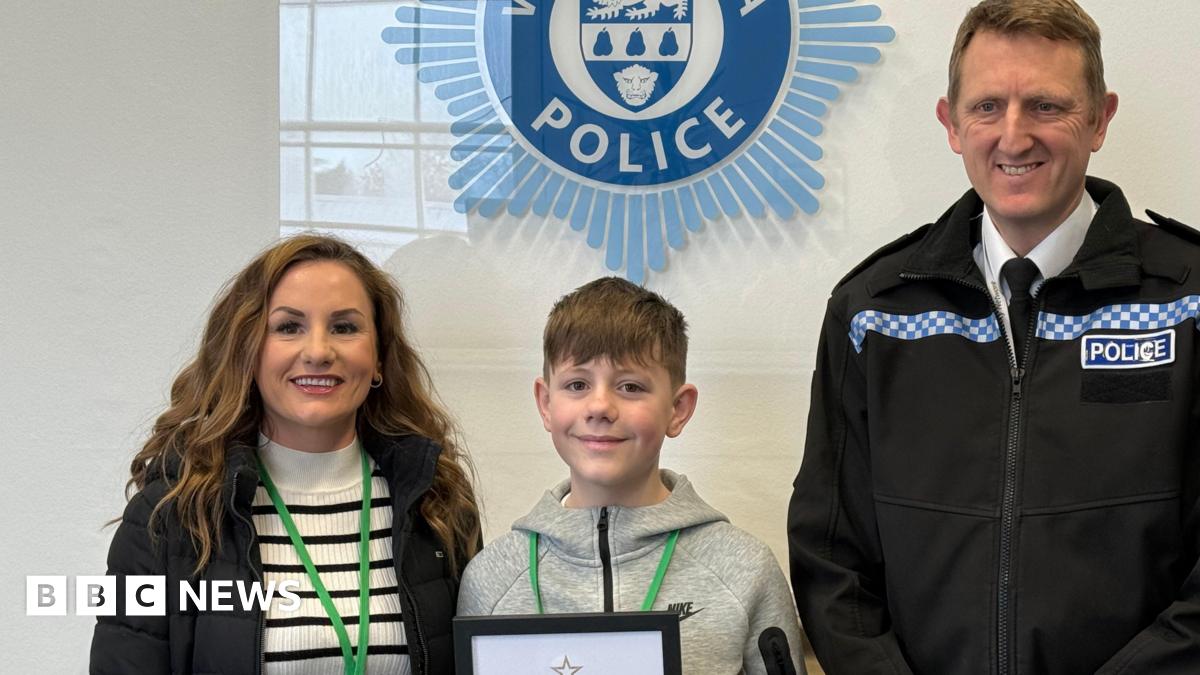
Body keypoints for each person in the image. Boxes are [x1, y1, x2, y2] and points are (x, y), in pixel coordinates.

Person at [788, 1, 1200, 673]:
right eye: (987, 107)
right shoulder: (873, 311)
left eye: (1046, 106)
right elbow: (832, 559)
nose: (1013, 137)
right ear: (951, 123)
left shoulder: (1188, 301)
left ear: (1099, 119)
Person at [90, 234, 480, 674]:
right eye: (288, 327)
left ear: (378, 360)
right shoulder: (169, 516)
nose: (317, 351)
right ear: (248, 353)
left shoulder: (437, 503)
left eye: (345, 327)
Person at [457, 277, 806, 674]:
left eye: (630, 386)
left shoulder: (743, 568)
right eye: (577, 384)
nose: (600, 406)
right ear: (545, 403)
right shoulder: (492, 578)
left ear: (678, 409)